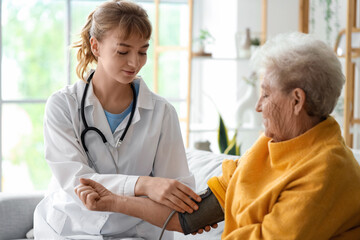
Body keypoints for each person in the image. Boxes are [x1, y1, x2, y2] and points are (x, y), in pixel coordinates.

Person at [75, 32, 360, 239]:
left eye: (265, 94)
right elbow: (192, 216)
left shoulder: (326, 170)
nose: (258, 106)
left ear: (296, 101)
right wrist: (113, 200)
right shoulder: (270, 146)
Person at [33, 1, 201, 239]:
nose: (135, 62)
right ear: (96, 46)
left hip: (136, 231)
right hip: (72, 228)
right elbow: (77, 181)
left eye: (143, 51)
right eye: (123, 51)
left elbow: (179, 195)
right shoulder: (62, 105)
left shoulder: (162, 113)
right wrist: (143, 185)